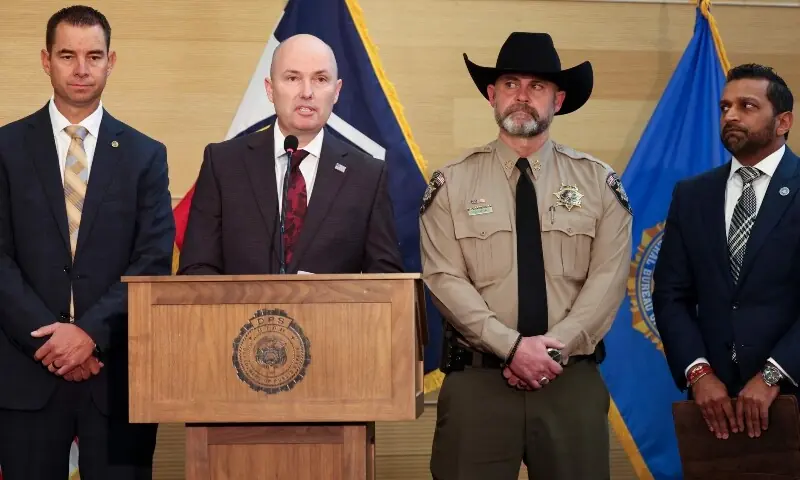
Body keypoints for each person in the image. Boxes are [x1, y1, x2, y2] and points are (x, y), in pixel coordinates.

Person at [419, 32, 633, 480]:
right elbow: (444, 279)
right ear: (492, 96)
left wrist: (550, 352)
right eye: (511, 84)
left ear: (558, 99)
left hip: (570, 381)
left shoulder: (598, 182)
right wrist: (512, 347)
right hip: (479, 384)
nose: (522, 96)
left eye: (537, 86)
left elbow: (608, 281)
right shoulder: (451, 184)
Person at [0, 5, 175, 480]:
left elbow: (154, 261)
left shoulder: (145, 155)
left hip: (116, 377)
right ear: (45, 60)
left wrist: (89, 335)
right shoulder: (6, 148)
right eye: (68, 55)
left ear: (110, 62)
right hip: (26, 376)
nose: (81, 69)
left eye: (93, 56)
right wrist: (53, 341)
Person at [177, 34, 403, 275]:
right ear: (270, 89)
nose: (307, 92)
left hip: (331, 313)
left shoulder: (367, 175)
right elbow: (197, 268)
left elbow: (386, 279)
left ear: (336, 91)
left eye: (320, 79)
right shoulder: (223, 164)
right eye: (293, 78)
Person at [653, 63, 798, 441]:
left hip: (791, 397)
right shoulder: (692, 195)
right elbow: (671, 295)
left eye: (747, 106)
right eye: (724, 107)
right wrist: (699, 374)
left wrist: (772, 375)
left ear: (783, 122)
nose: (730, 115)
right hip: (712, 408)